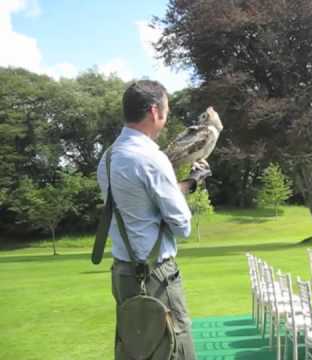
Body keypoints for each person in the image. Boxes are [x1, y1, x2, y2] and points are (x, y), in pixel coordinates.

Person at [97, 80, 211, 359]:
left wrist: (188, 183)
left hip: (123, 274)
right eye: (166, 110)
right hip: (155, 274)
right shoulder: (151, 158)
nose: (166, 116)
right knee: (174, 348)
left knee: (137, 347)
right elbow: (182, 226)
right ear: (154, 111)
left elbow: (140, 207)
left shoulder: (109, 158)